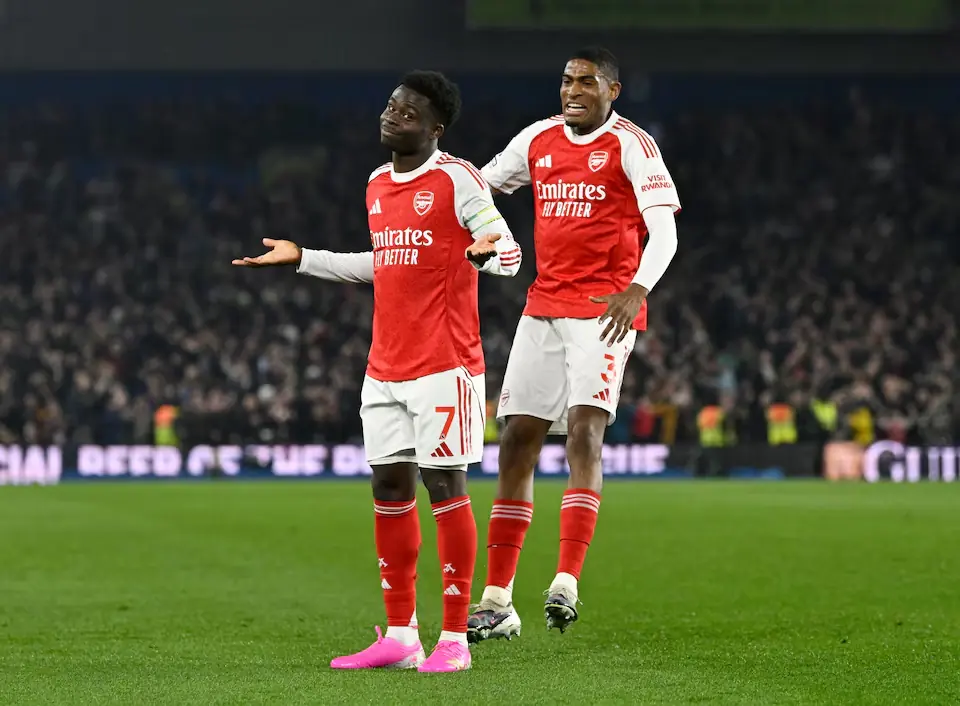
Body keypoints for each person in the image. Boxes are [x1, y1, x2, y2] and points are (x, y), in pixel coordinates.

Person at [233, 70, 522, 672]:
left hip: (446, 365)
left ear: (435, 128)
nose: (393, 116)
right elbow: (383, 265)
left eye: (410, 112)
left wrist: (485, 250)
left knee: (445, 490)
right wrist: (303, 258)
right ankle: (399, 634)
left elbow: (507, 248)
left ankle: (452, 642)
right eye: (392, 106)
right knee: (389, 489)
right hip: (384, 367)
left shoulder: (456, 178)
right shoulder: (376, 184)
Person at [468, 47, 681, 641]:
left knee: (584, 430)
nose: (572, 90)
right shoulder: (537, 139)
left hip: (604, 310)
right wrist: (482, 235)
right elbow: (479, 190)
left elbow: (664, 228)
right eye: (566, 80)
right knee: (517, 440)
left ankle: (566, 581)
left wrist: (638, 289)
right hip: (543, 306)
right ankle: (497, 599)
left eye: (587, 81)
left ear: (614, 91)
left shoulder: (631, 146)